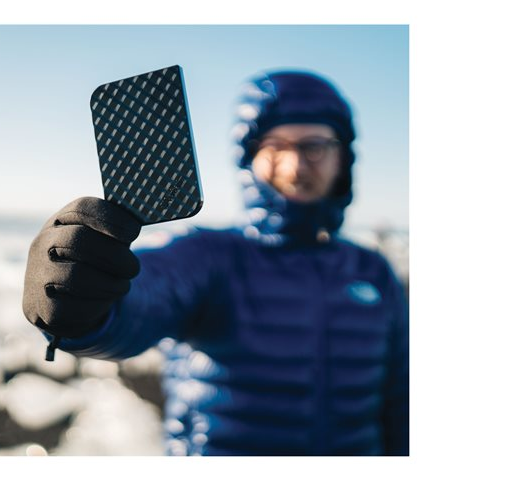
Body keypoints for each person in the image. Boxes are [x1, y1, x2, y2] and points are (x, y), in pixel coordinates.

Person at [22, 70, 409, 456]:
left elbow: (401, 403)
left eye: (314, 146)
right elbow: (140, 301)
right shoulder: (208, 257)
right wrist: (81, 300)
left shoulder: (374, 273)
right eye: (275, 146)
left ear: (343, 157)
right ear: (249, 156)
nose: (295, 166)